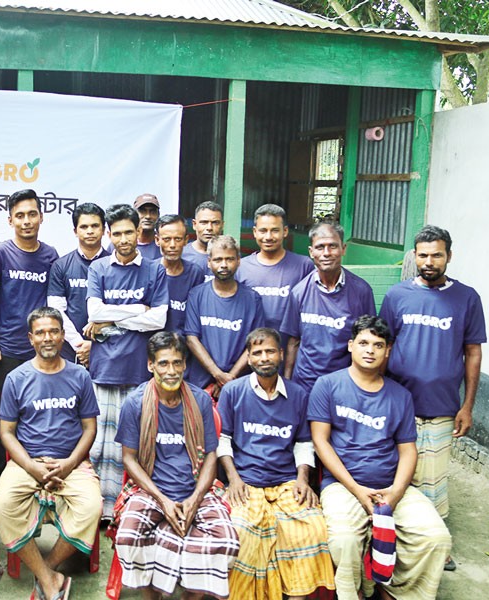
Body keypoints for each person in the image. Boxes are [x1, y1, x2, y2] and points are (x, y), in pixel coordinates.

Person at [309, 316, 451, 600]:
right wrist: (357, 490)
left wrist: (396, 493)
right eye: (363, 343)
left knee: (436, 537)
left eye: (378, 344)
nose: (370, 350)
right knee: (345, 540)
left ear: (388, 351)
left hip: (391, 487)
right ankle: (355, 593)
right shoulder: (327, 385)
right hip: (343, 486)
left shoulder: (400, 396)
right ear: (350, 346)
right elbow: (320, 442)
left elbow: (408, 449)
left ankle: (397, 592)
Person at [379, 225, 486, 570]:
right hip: (400, 406)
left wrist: (467, 406)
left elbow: (472, 353)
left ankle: (439, 547)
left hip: (441, 408)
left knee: (434, 480)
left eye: (436, 254)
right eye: (422, 255)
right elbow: (384, 345)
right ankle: (390, 542)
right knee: (398, 477)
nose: (429, 261)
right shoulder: (397, 296)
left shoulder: (466, 298)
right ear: (414, 256)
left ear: (448, 256)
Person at [114, 331, 239, 599]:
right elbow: (129, 459)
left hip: (196, 488)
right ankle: (153, 596)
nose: (171, 371)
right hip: (150, 490)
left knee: (227, 540)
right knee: (128, 536)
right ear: (150, 365)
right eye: (163, 363)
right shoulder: (135, 403)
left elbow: (209, 457)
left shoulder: (200, 400)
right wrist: (162, 500)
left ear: (184, 365)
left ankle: (191, 595)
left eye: (177, 363)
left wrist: (194, 499)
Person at [217, 327, 334, 600]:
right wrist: (233, 479)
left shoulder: (298, 394)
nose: (264, 357)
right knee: (240, 531)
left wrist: (303, 480)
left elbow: (304, 443)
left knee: (313, 527)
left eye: (270, 351)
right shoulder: (233, 392)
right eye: (257, 353)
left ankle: (296, 595)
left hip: (286, 483)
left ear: (281, 354)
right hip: (246, 484)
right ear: (248, 357)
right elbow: (223, 440)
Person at [0, 307, 101, 600]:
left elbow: (90, 428)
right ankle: (48, 577)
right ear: (31, 339)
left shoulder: (80, 376)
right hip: (28, 463)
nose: (48, 338)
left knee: (92, 507)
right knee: (2, 505)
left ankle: (47, 571)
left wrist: (68, 465)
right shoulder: (17, 378)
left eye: (53, 331)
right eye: (40, 332)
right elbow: (6, 432)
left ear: (63, 335)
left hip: (72, 462)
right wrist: (32, 467)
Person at [85, 203, 168, 519]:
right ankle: (98, 512)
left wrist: (113, 319)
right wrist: (138, 310)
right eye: (116, 233)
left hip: (137, 369)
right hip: (104, 368)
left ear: (139, 232)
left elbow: (159, 319)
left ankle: (126, 510)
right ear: (109, 234)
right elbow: (94, 313)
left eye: (128, 232)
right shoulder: (99, 269)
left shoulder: (154, 269)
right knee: (98, 448)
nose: (123, 239)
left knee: (131, 445)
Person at [0, 189, 59, 478]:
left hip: (42, 351)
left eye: (32, 214)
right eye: (20, 215)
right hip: (8, 350)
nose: (27, 221)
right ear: (10, 219)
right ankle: (1, 474)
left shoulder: (50, 255)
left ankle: (40, 469)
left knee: (40, 413)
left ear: (41, 217)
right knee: (5, 415)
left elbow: (55, 303)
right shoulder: (0, 252)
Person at [280, 221, 375, 393]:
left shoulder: (362, 291)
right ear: (311, 252)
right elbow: (293, 342)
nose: (326, 253)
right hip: (305, 385)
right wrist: (288, 384)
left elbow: (369, 342)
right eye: (320, 247)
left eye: (332, 246)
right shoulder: (299, 292)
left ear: (343, 249)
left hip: (344, 386)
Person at [185, 235, 264, 396]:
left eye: (229, 259)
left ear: (238, 261)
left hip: (239, 383)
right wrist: (217, 374)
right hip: (200, 384)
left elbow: (255, 343)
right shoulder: (196, 294)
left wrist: (230, 377)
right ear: (209, 262)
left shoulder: (252, 299)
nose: (224, 265)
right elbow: (191, 339)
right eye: (218, 259)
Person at [237, 204, 314, 345]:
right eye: (263, 231)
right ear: (255, 232)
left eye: (274, 231)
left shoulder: (304, 266)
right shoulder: (241, 267)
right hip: (253, 352)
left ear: (285, 231)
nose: (268, 237)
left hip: (290, 349)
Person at [47, 202, 110, 364]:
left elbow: (121, 312)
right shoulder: (61, 265)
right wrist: (79, 345)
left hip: (109, 350)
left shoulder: (115, 265)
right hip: (70, 351)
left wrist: (95, 346)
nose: (89, 231)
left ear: (103, 229)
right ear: (75, 231)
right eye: (84, 227)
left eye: (95, 226)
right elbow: (57, 311)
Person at [155, 214, 205, 334]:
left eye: (178, 239)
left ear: (186, 240)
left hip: (183, 345)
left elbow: (196, 315)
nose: (172, 245)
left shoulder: (195, 273)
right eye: (167, 239)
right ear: (157, 240)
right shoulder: (149, 272)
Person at [183, 200, 223, 274]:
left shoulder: (229, 255)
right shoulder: (182, 255)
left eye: (215, 223)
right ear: (194, 224)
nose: (209, 228)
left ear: (222, 225)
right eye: (204, 222)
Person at [132, 193, 162, 260]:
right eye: (143, 211)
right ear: (134, 214)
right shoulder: (123, 243)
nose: (148, 216)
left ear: (158, 215)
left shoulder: (164, 244)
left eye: (152, 211)